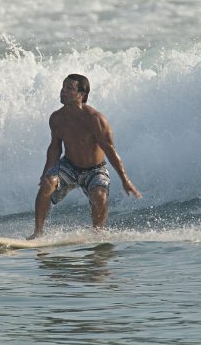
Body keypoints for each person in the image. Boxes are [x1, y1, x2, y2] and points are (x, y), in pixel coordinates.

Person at [27, 74, 142, 240]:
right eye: (63, 87)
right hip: (69, 165)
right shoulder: (57, 118)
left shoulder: (95, 119)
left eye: (69, 88)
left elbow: (110, 150)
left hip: (95, 169)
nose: (63, 91)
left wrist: (125, 179)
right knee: (47, 184)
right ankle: (38, 232)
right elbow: (55, 148)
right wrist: (46, 172)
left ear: (81, 94)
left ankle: (97, 234)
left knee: (100, 196)